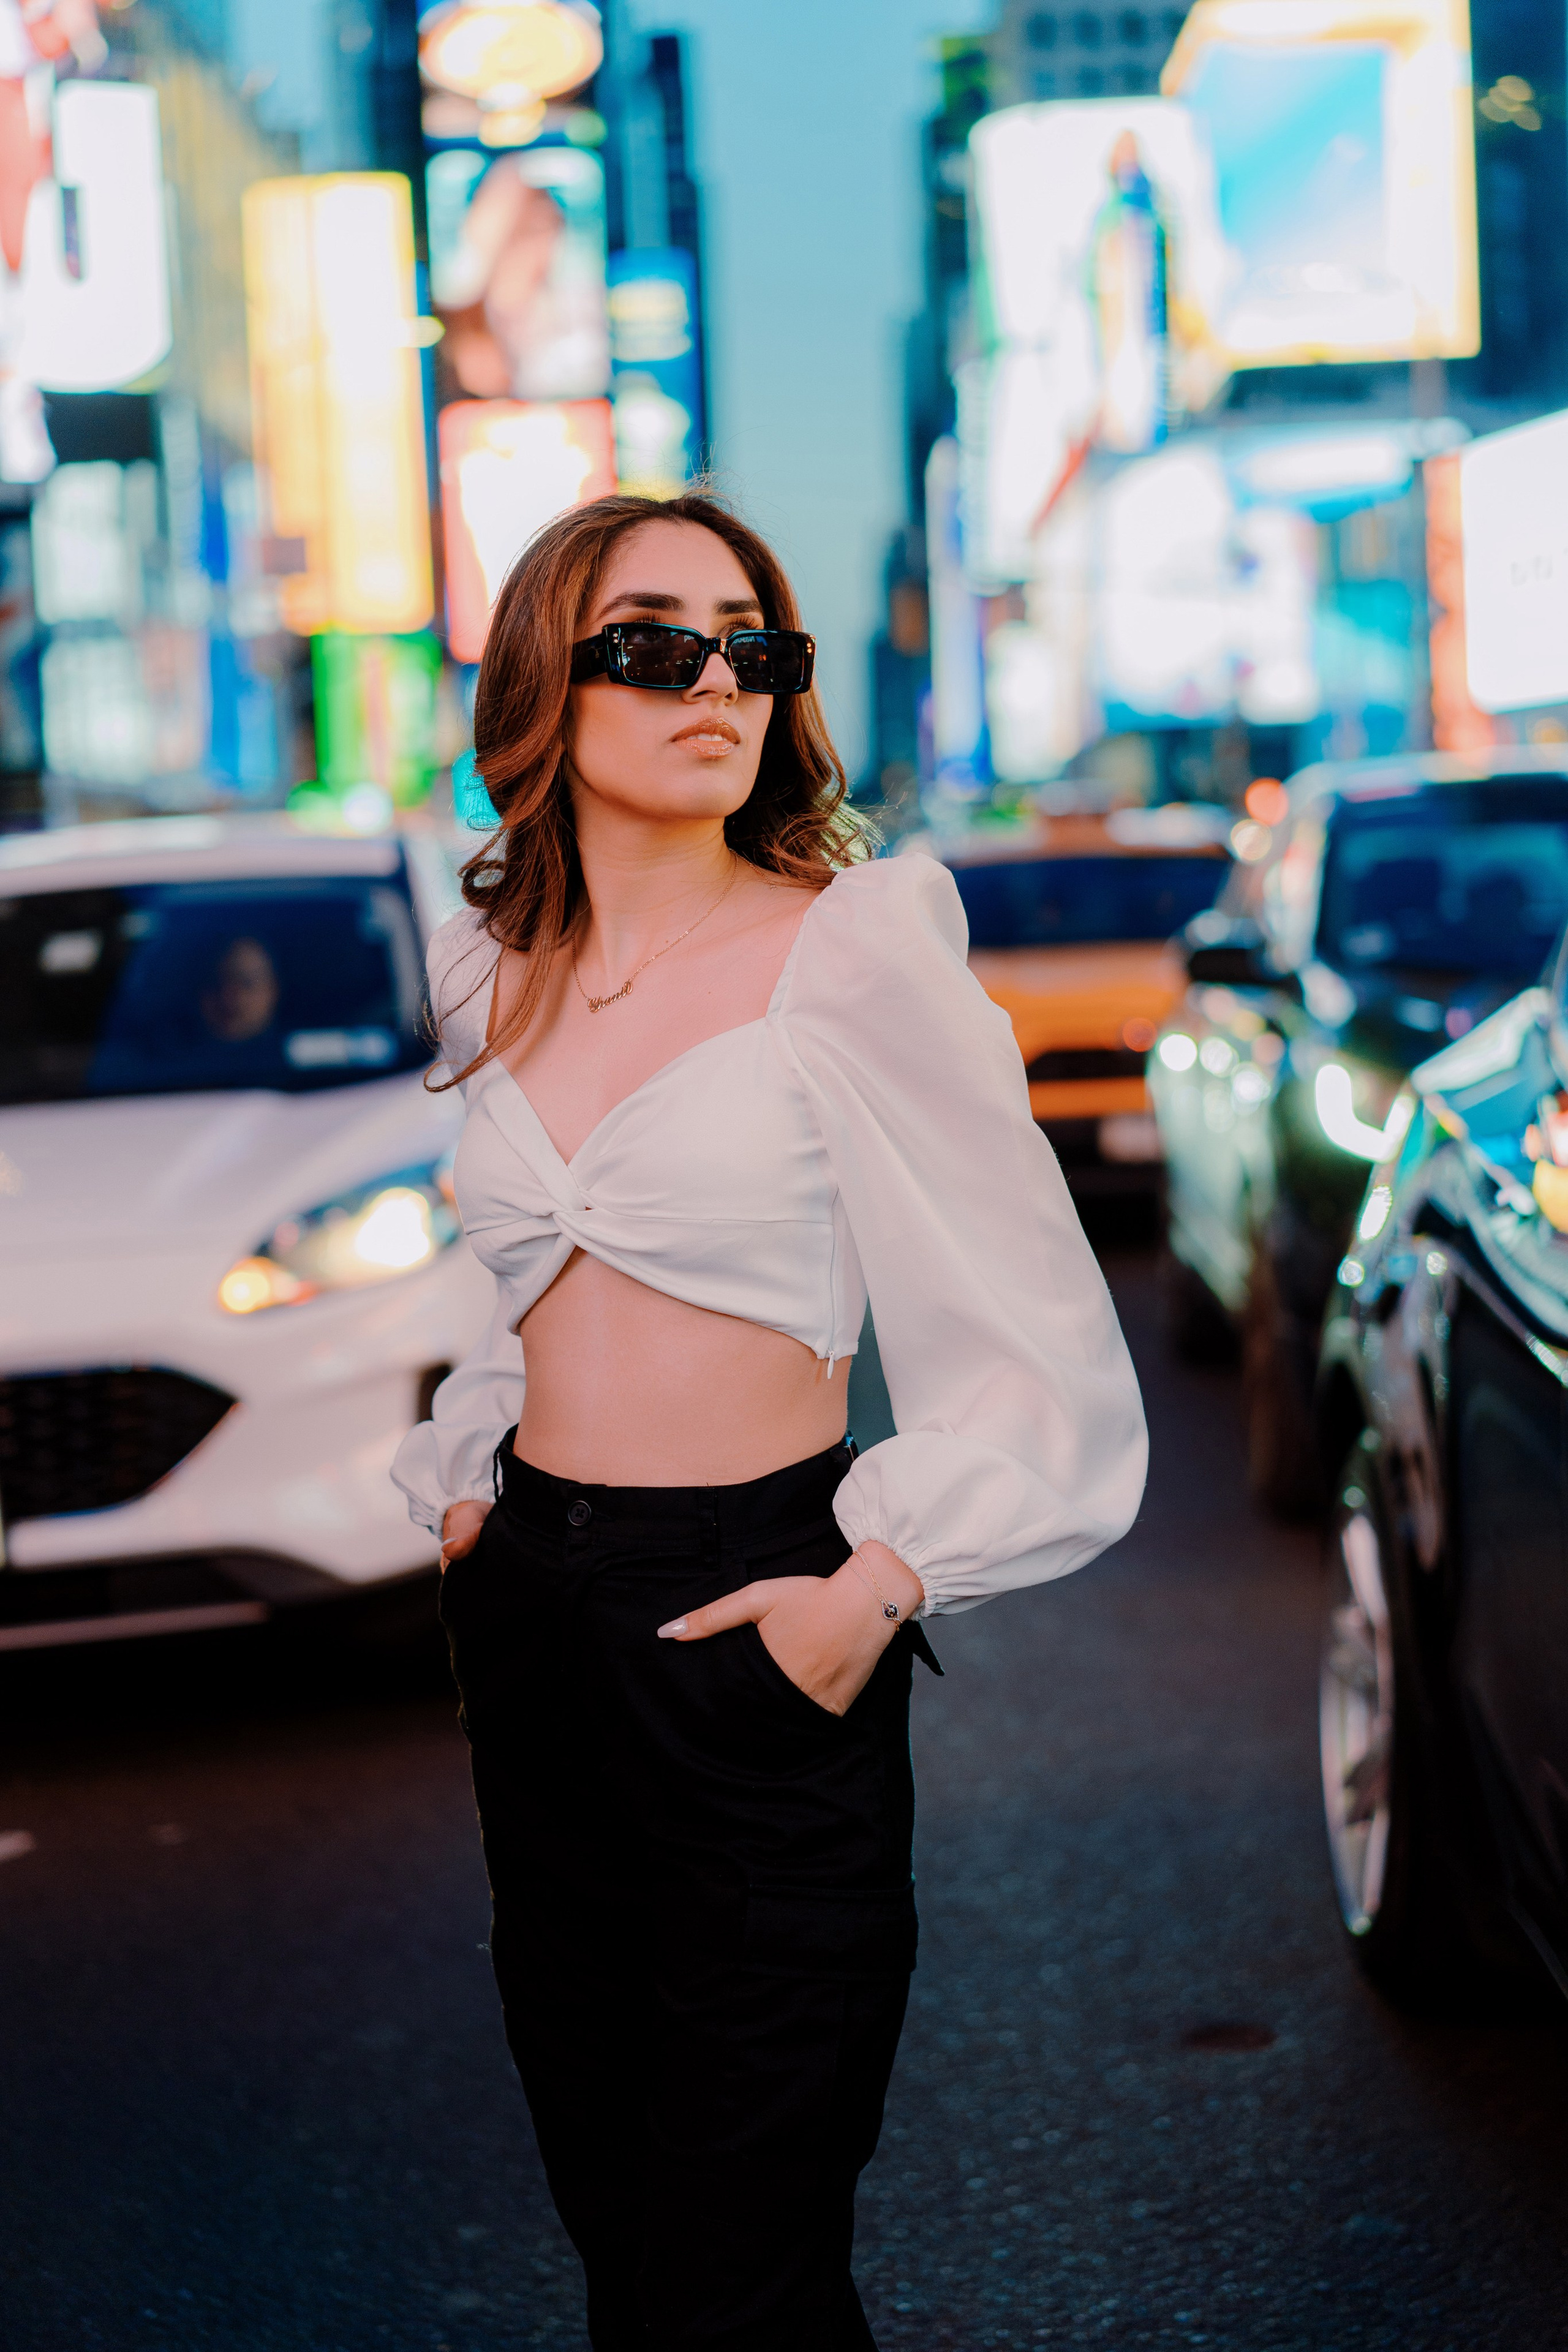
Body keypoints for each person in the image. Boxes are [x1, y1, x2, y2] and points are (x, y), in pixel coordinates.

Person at [391, 489, 1146, 2352]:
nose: (716, 680)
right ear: (543, 686)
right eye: (654, 643)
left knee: (747, 2263)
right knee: (624, 2230)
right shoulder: (493, 964)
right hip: (536, 1624)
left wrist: (871, 1590)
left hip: (757, 1614)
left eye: (755, 646)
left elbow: (1034, 1328)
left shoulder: (857, 949)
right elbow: (525, 1277)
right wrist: (476, 1458)